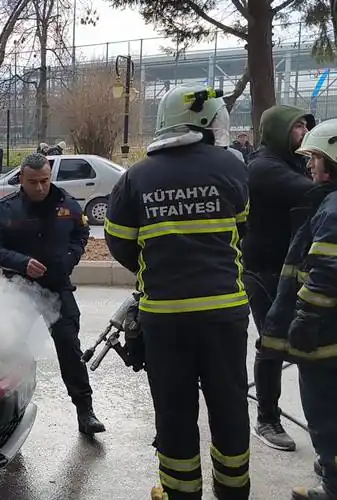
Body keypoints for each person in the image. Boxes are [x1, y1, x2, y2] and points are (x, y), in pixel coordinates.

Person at [104, 85, 251, 500]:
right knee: (229, 405)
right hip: (225, 313)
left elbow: (118, 240)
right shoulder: (233, 167)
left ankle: (180, 492)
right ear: (207, 122)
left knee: (174, 410)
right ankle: (234, 491)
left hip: (165, 317)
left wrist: (154, 270)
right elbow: (243, 228)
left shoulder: (136, 176)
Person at [0, 153, 106, 436]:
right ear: (21, 180)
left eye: (45, 181)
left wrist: (70, 257)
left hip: (57, 287)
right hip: (19, 290)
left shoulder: (67, 204)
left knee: (69, 348)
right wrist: (21, 263)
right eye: (33, 182)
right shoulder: (6, 209)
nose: (40, 187)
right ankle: (6, 416)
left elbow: (81, 234)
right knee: (9, 350)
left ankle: (85, 411)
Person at [260, 118, 337, 500]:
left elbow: (323, 273)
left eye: (316, 158)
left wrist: (305, 319)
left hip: (324, 337)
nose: (309, 166)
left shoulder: (332, 210)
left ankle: (332, 485)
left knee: (324, 414)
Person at [242, 104, 315, 452]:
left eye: (306, 126)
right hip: (263, 271)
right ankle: (267, 418)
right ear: (278, 131)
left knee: (301, 343)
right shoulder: (263, 167)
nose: (304, 132)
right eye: (298, 127)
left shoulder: (294, 163)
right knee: (273, 343)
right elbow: (310, 192)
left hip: (293, 270)